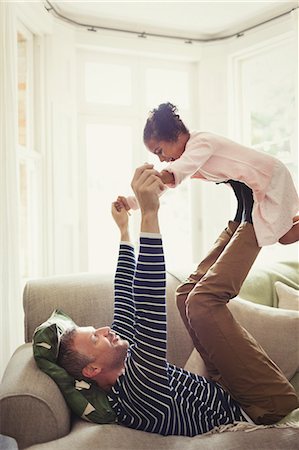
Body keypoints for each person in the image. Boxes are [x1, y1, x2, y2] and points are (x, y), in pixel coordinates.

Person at [58, 164, 298, 436]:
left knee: (185, 295)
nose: (104, 330)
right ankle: (256, 220)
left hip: (226, 387)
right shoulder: (137, 395)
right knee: (203, 303)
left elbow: (125, 297)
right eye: (94, 338)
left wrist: (123, 231)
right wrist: (149, 213)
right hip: (261, 408)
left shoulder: (123, 361)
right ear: (93, 369)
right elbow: (149, 307)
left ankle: (242, 218)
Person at [121, 102, 299, 247]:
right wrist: (132, 202)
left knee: (285, 236)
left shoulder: (201, 142)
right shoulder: (185, 157)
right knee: (285, 232)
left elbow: (178, 171)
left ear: (174, 135)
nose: (161, 159)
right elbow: (162, 187)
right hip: (263, 180)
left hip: (270, 175)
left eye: (160, 151)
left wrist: (154, 178)